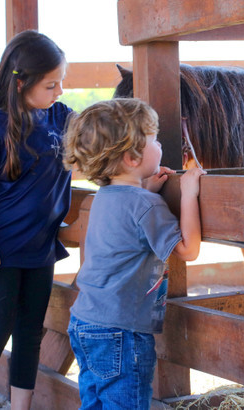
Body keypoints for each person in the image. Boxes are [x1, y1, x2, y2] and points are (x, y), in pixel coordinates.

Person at [62, 98, 206, 409]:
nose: (160, 145)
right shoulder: (145, 205)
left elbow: (130, 219)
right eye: (153, 139)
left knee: (95, 404)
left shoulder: (106, 196)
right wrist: (189, 194)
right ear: (131, 157)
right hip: (121, 332)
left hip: (85, 322)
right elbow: (188, 249)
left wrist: (146, 189)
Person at [0, 30, 73, 410]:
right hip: (2, 251)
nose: (59, 91)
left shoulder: (61, 118)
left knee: (30, 333)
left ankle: (20, 407)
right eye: (50, 84)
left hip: (40, 250)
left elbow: (98, 139)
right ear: (22, 83)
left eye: (61, 82)